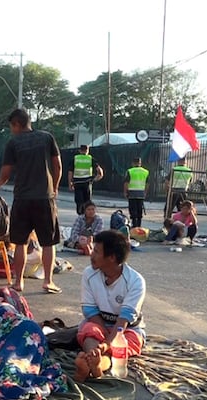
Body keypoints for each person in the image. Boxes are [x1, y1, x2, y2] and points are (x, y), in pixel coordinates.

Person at [0, 109, 62, 294]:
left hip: (22, 198)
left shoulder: (13, 143)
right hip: (44, 198)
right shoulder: (47, 138)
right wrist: (54, 187)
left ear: (16, 124)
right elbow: (57, 165)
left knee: (20, 242)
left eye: (11, 127)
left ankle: (18, 282)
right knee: (48, 242)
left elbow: (5, 173)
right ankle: (48, 281)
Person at [74, 230, 146, 382]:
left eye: (97, 251)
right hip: (98, 324)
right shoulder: (89, 274)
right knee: (88, 330)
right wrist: (104, 339)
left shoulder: (135, 281)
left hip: (127, 329)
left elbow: (124, 320)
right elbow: (90, 311)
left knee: (121, 346)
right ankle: (93, 362)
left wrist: (107, 343)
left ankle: (97, 365)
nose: (91, 255)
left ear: (112, 257)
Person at [68, 144, 103, 215]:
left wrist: (70, 183)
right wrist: (96, 178)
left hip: (77, 182)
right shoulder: (90, 159)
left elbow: (70, 172)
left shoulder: (75, 159)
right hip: (87, 183)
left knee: (79, 201)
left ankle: (80, 215)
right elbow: (100, 172)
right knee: (87, 201)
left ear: (80, 150)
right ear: (88, 151)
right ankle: (87, 215)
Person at [123, 157, 149, 228]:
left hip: (132, 192)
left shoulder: (130, 171)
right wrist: (145, 192)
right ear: (140, 163)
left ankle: (134, 225)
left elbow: (126, 183)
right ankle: (139, 224)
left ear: (133, 163)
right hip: (141, 193)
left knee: (133, 209)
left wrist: (125, 192)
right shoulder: (145, 171)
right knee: (139, 209)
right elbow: (147, 184)